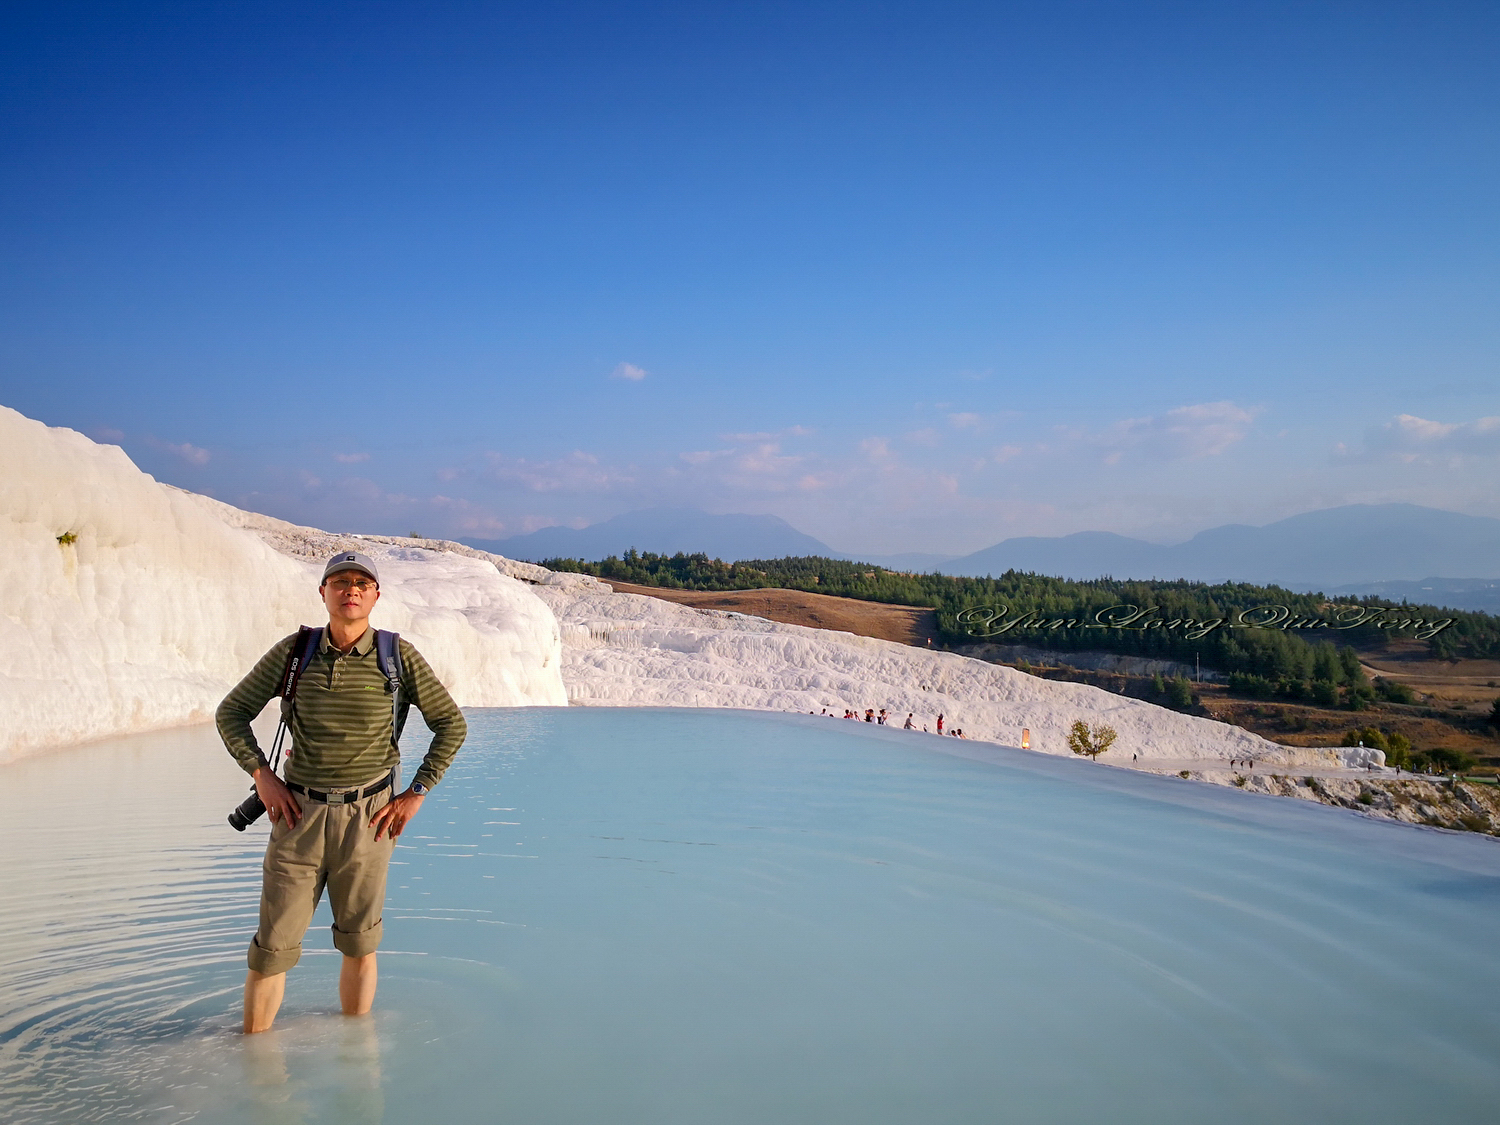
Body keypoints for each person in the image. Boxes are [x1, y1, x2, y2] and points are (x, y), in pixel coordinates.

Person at [217, 550, 467, 1034]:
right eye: (340, 581)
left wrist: (417, 790)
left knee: (359, 943)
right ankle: (254, 1062)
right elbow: (231, 713)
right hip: (298, 816)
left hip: (370, 819)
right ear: (323, 592)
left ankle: (355, 1057)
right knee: (271, 949)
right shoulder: (295, 653)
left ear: (375, 594)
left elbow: (451, 725)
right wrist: (261, 775)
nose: (350, 589)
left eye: (361, 582)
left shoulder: (398, 656)